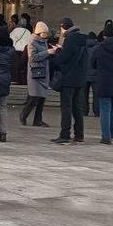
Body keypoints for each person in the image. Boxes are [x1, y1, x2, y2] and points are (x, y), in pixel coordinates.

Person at [49, 17, 88, 145]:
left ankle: (65, 134)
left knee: (66, 107)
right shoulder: (83, 39)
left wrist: (57, 51)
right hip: (80, 78)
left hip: (68, 78)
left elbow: (64, 59)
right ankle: (79, 134)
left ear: (63, 27)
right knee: (77, 107)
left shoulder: (70, 39)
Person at [19, 22, 51, 126]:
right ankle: (24, 115)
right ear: (39, 32)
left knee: (42, 98)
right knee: (34, 97)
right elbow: (33, 57)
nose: (46, 34)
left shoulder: (44, 41)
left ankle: (37, 120)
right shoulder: (32, 41)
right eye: (44, 32)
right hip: (35, 73)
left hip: (43, 72)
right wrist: (47, 52)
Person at [9, 15, 32, 84]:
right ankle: (22, 79)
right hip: (24, 51)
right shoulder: (28, 32)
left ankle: (15, 79)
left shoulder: (14, 31)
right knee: (23, 66)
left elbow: (11, 40)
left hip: (15, 50)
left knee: (15, 65)